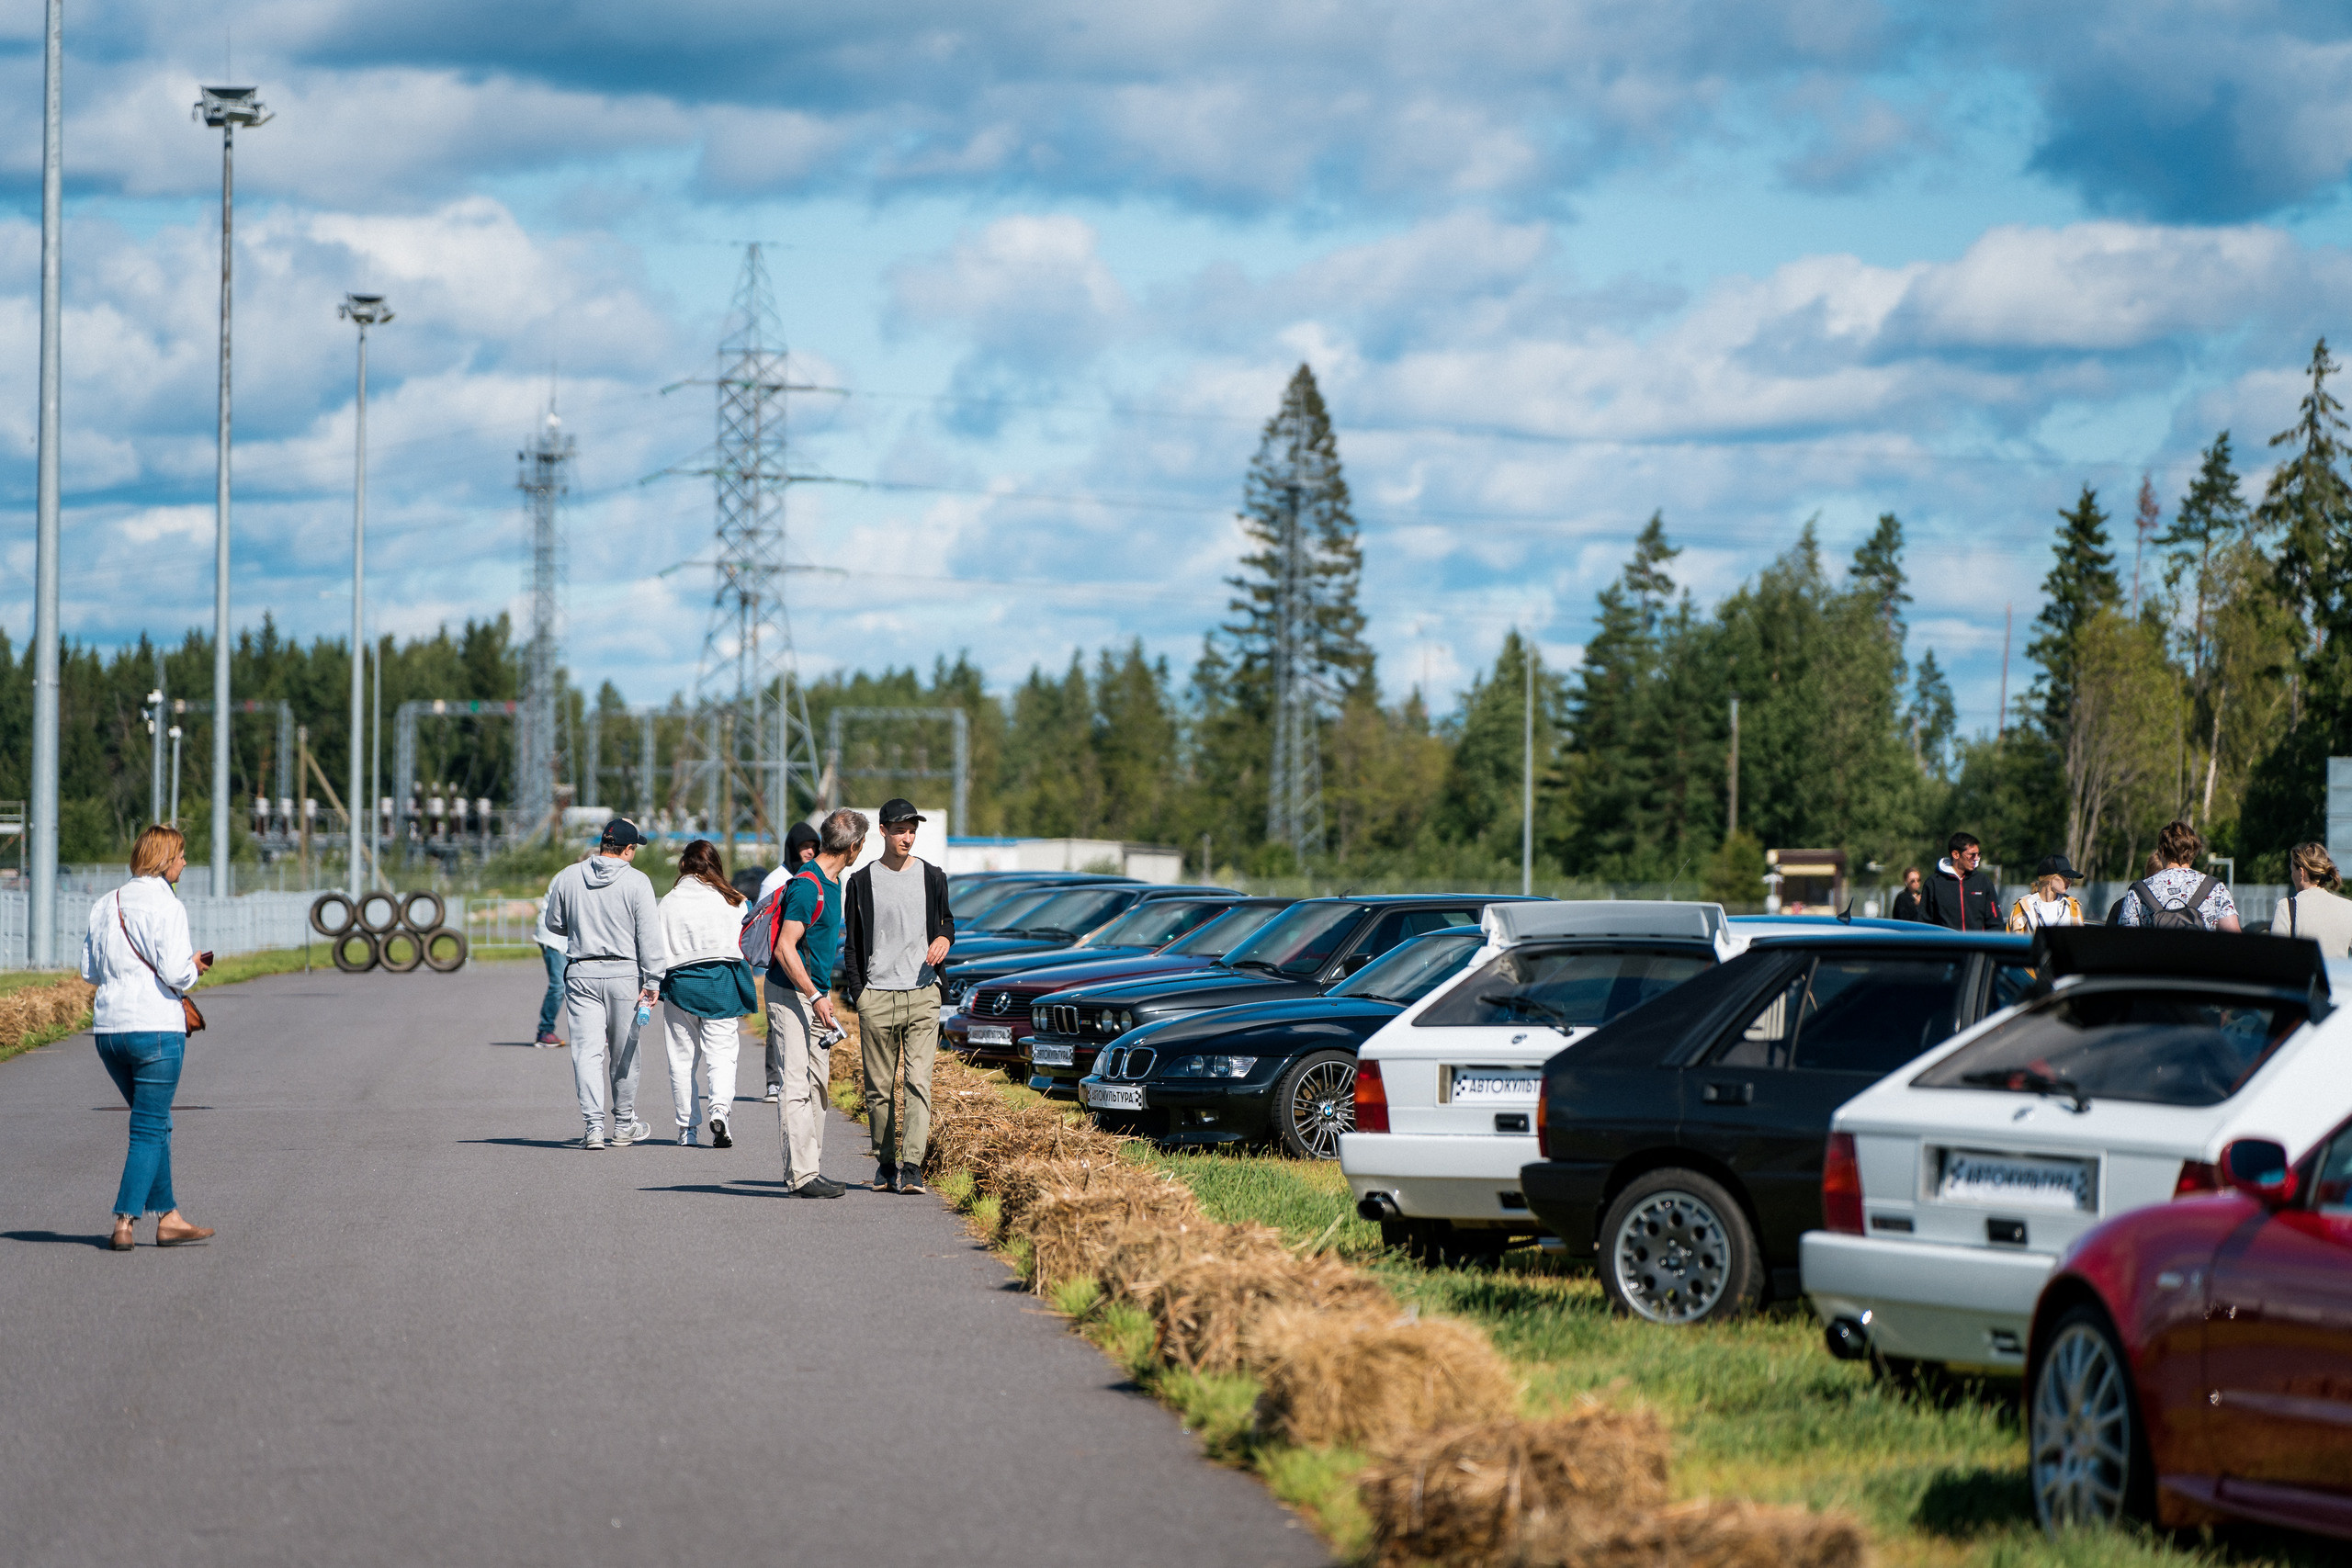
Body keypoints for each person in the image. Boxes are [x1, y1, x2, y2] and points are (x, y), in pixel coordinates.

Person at [81, 824, 213, 1251]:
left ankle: (170, 1217)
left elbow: (89, 971)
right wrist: (195, 966)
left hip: (109, 1032)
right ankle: (124, 1220)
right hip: (156, 1028)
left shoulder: (106, 903)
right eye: (181, 856)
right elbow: (176, 973)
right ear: (163, 860)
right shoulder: (168, 906)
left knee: (156, 1123)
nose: (185, 863)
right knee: (148, 1128)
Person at [841, 799, 956, 1194]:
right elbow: (853, 946)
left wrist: (943, 937)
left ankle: (912, 1166)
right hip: (878, 996)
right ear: (883, 831)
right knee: (878, 1088)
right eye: (900, 830)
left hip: (924, 993)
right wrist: (861, 995)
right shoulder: (860, 882)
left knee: (919, 1082)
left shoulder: (933, 877)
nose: (907, 837)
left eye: (912, 830)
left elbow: (946, 922)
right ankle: (885, 1162)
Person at [544, 818, 668, 1149]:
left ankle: (593, 1127)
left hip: (581, 972)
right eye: (634, 849)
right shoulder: (638, 882)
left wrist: (583, 924)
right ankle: (624, 1124)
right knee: (624, 1052)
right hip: (625, 976)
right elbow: (650, 937)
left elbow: (554, 923)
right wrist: (654, 980)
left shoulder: (569, 875)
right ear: (627, 850)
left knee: (586, 1053)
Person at [768, 807, 865, 1199]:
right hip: (792, 993)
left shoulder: (835, 880)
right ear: (853, 846)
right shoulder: (808, 886)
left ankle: (813, 1167)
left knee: (818, 1084)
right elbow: (783, 947)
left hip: (815, 995)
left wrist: (821, 996)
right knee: (795, 1083)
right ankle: (802, 1175)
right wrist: (814, 995)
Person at [658, 840, 759, 1147]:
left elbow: (654, 949)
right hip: (722, 985)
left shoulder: (668, 902)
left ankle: (687, 1129)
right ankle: (720, 1112)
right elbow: (749, 944)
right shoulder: (735, 901)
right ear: (715, 864)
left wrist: (648, 986)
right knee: (722, 1056)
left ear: (683, 866)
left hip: (680, 985)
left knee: (682, 1060)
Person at [758, 820, 822, 1102]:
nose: (808, 852)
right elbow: (761, 923)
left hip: (809, 964)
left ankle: (802, 1079)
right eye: (803, 847)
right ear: (792, 849)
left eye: (812, 847)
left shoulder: (818, 877)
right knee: (777, 1025)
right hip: (779, 963)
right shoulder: (774, 880)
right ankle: (774, 1082)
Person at [2117, 818, 2240, 931]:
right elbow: (2234, 940)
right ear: (2193, 852)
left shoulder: (2138, 892)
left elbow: (2126, 943)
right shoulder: (2216, 889)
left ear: (2162, 851)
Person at [530, 851, 586, 1047]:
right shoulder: (568, 877)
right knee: (558, 985)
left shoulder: (576, 877)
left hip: (567, 939)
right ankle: (545, 1031)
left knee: (585, 984)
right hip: (553, 938)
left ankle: (593, 1031)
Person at [2270, 840, 2352, 954]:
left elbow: (2276, 955)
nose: (2292, 875)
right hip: (2336, 972)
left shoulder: (2287, 907)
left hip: (2304, 972)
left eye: (2292, 870)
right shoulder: (2348, 908)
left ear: (2301, 873)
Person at [1923, 832, 2002, 931]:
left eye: (1978, 854)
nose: (1976, 858)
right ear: (1956, 854)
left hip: (1977, 945)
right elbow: (1924, 923)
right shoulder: (1933, 883)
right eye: (1972, 855)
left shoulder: (1983, 881)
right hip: (1944, 945)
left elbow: (1995, 923)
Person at [2007, 855, 2084, 931]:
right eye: (2065, 877)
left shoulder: (2072, 906)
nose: (2069, 881)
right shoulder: (2024, 905)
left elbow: (2080, 939)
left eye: (2070, 878)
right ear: (2050, 878)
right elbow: (2013, 940)